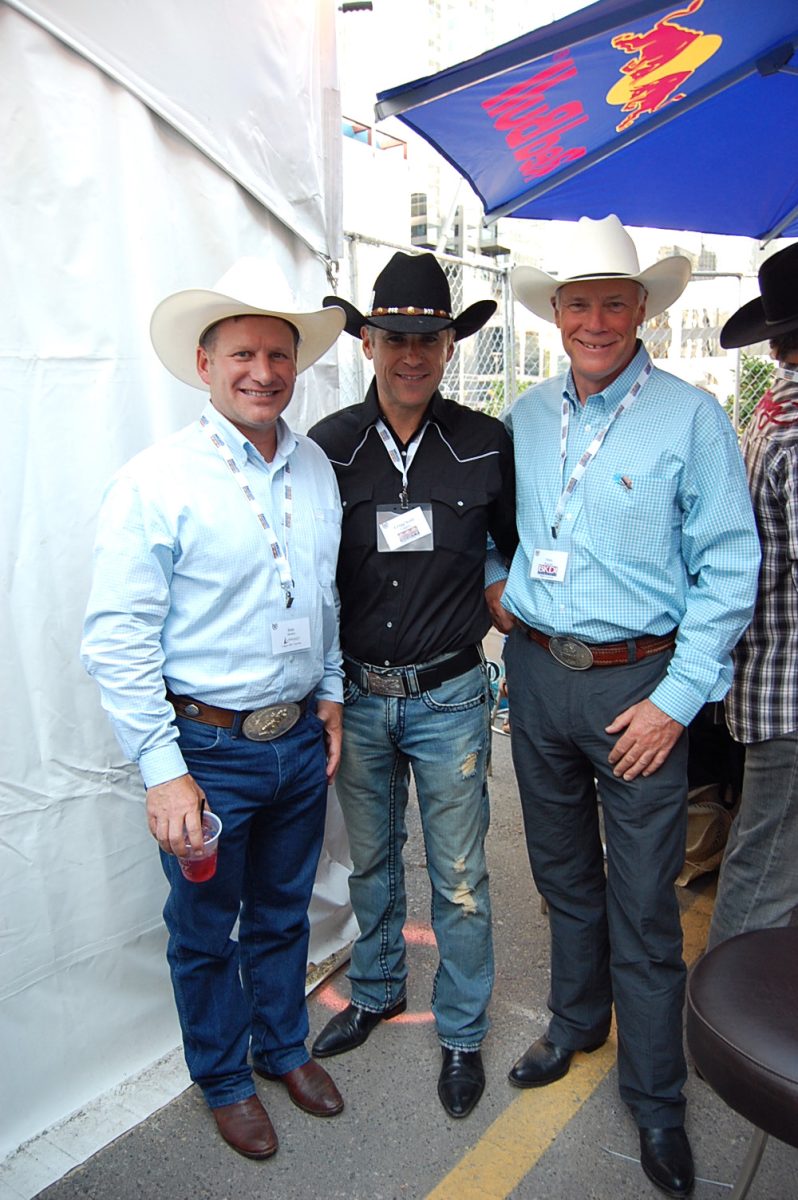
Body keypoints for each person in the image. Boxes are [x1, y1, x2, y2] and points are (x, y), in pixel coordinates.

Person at [492, 216, 760, 1198]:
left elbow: (730, 568)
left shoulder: (692, 418)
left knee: (644, 904)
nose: (596, 321)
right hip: (537, 676)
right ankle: (576, 1022)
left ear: (642, 309)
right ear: (555, 313)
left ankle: (654, 1098)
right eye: (579, 304)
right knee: (561, 872)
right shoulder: (523, 416)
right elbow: (494, 526)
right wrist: (497, 583)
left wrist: (676, 701)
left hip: (639, 688)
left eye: (614, 303)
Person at [81, 258, 347, 1161]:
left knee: (283, 911)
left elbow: (322, 598)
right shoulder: (156, 480)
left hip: (297, 740)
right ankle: (224, 1077)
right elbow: (117, 639)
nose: (263, 372)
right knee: (203, 930)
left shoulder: (313, 466)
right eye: (243, 354)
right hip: (207, 750)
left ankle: (282, 1047)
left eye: (279, 355)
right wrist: (164, 773)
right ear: (204, 364)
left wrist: (331, 694)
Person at [307, 252, 517, 1119]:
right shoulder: (327, 447)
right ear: (367, 343)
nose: (412, 355)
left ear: (449, 347)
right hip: (360, 694)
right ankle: (379, 988)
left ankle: (461, 1030)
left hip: (450, 695)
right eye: (395, 338)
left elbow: (510, 546)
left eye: (429, 339)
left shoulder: (486, 442)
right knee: (371, 861)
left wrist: (502, 584)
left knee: (461, 876)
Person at [707, 242, 798, 949]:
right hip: (790, 693)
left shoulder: (775, 414)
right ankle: (721, 1006)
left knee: (768, 859)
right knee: (767, 870)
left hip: (771, 682)